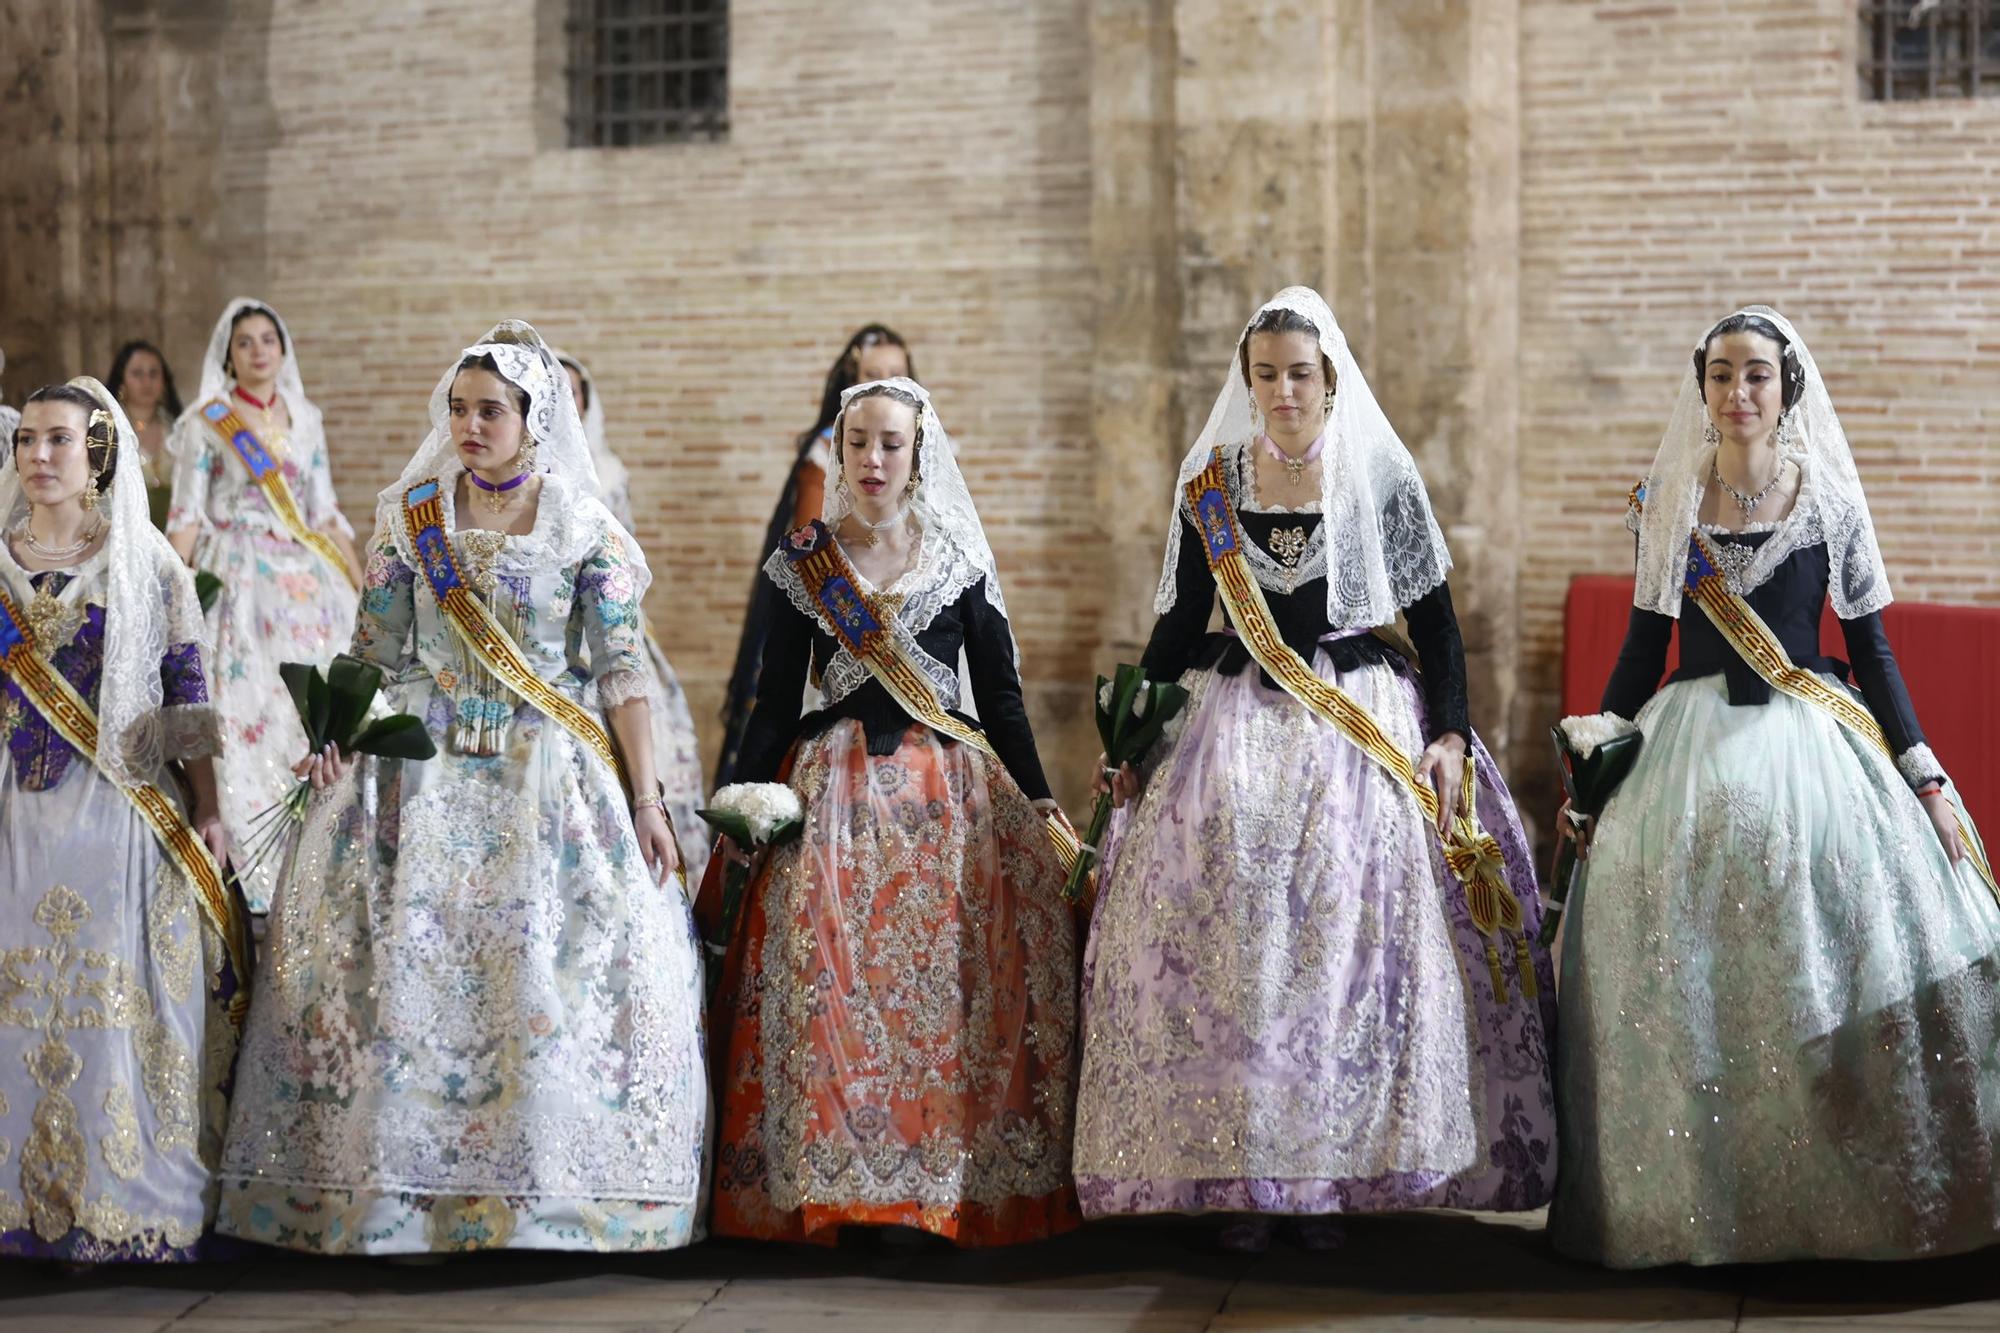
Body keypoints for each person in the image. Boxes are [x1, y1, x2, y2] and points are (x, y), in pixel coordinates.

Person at [1072, 286, 1556, 1253]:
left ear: (1330, 378)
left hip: (1355, 721)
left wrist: (1452, 734)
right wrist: (1128, 740)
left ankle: (1334, 1170)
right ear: (1247, 383)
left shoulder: (1379, 478)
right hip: (1232, 721)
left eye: (1301, 373)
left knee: (1342, 939)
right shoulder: (1210, 483)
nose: (1284, 390)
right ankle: (1244, 1172)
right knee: (1237, 941)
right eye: (1267, 375)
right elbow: (1175, 629)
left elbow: (1442, 631)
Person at [213, 321, 709, 1255]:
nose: (470, 424)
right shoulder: (414, 519)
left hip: (549, 782)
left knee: (543, 975)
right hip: (418, 776)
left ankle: (553, 1200)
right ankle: (389, 1201)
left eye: (491, 410)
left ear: (534, 418)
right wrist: (335, 739)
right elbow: (373, 654)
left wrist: (646, 798)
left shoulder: (583, 527)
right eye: (459, 407)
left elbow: (622, 673)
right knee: (404, 973)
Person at [1550, 306, 2000, 1268]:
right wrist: (1592, 773)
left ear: (1786, 386)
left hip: (1812, 741)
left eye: (1756, 374)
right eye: (1720, 375)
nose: (1737, 392)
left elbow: (1873, 654)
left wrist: (1923, 773)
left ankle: (1828, 1198)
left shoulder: (1829, 496)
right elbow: (1640, 653)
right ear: (1702, 387)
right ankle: (1691, 1203)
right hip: (1688, 741)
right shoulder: (1670, 500)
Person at [708, 377, 1078, 1247]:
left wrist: (1040, 800)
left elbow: (1002, 698)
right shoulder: (806, 559)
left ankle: (931, 1192)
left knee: (937, 998)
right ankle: (845, 1193)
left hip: (946, 810)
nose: (873, 459)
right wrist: (741, 805)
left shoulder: (956, 556)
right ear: (837, 450)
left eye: (891, 443)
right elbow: (769, 704)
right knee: (832, 993)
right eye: (858, 442)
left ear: (919, 455)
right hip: (831, 801)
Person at [0, 378, 250, 1261]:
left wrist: (212, 813)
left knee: (111, 1004)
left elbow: (188, 702)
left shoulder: (148, 564)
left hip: (118, 818)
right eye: (26, 439)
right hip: (11, 819)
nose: (36, 456)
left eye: (57, 440)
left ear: (98, 453)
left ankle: (113, 1196)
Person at [165, 298, 360, 913]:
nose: (257, 351)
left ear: (282, 349)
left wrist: (358, 578)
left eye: (266, 340)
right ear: (229, 353)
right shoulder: (208, 420)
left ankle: (329, 844)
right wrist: (166, 590)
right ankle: (251, 846)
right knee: (251, 706)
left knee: (321, 711)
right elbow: (188, 514)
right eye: (244, 342)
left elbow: (324, 510)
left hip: (307, 582)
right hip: (242, 579)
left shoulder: (306, 417)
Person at [715, 325, 913, 788]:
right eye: (873, 374)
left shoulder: (926, 451)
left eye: (896, 374)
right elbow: (813, 547)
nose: (884, 383)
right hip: (844, 615)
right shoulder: (827, 450)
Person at [556, 349, 708, 885]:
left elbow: (623, 550)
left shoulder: (610, 472)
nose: (568, 402)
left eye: (576, 392)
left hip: (606, 610)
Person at [106, 340, 185, 528]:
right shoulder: (109, 429)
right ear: (121, 381)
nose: (146, 382)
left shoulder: (178, 428)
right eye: (137, 373)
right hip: (123, 529)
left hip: (173, 531)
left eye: (153, 374)